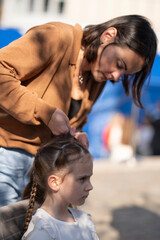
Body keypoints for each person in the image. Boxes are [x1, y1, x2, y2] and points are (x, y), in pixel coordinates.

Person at [0, 14, 157, 206]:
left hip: (41, 171)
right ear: (108, 35)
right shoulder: (57, 37)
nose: (116, 76)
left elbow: (72, 121)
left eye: (124, 74)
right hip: (5, 156)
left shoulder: (95, 75)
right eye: (118, 64)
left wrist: (74, 137)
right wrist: (46, 113)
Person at [21, 134, 98, 240]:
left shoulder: (84, 220)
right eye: (82, 179)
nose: (90, 187)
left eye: (89, 178)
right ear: (55, 182)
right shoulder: (43, 230)